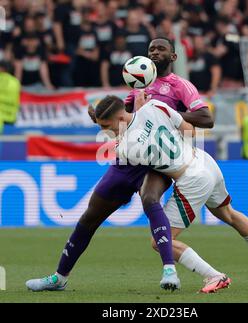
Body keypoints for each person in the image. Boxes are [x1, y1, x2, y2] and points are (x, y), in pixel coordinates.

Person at [25, 37, 215, 293]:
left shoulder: (179, 87)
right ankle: (59, 277)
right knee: (90, 217)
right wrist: (105, 118)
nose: (155, 53)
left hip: (157, 162)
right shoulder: (136, 90)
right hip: (126, 163)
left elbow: (202, 121)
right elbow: (122, 120)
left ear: (172, 56)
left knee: (150, 199)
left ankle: (169, 270)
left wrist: (169, 121)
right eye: (151, 49)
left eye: (160, 49)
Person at [94, 95, 248, 293]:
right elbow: (190, 131)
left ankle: (214, 276)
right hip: (203, 160)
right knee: (228, 214)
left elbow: (135, 160)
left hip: (192, 179)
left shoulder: (125, 148)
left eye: (108, 126)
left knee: (160, 240)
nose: (107, 132)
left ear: (121, 119)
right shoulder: (156, 106)